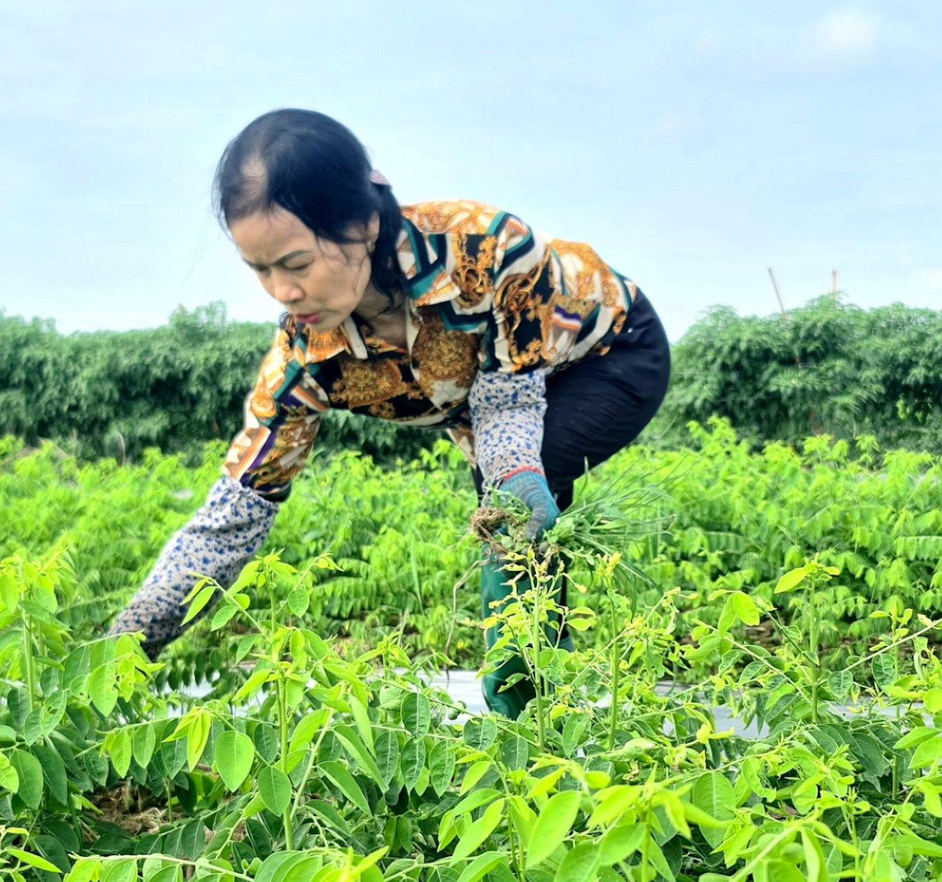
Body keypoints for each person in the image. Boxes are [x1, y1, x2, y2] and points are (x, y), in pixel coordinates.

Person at [107, 109, 670, 717]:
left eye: (296, 264)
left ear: (363, 224)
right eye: (260, 270)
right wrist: (119, 653)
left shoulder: (489, 251)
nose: (282, 292)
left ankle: (529, 714)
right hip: (496, 404)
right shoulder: (305, 358)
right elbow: (234, 513)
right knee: (505, 489)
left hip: (609, 353)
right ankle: (537, 700)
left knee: (512, 494)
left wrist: (513, 485)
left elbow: (508, 402)